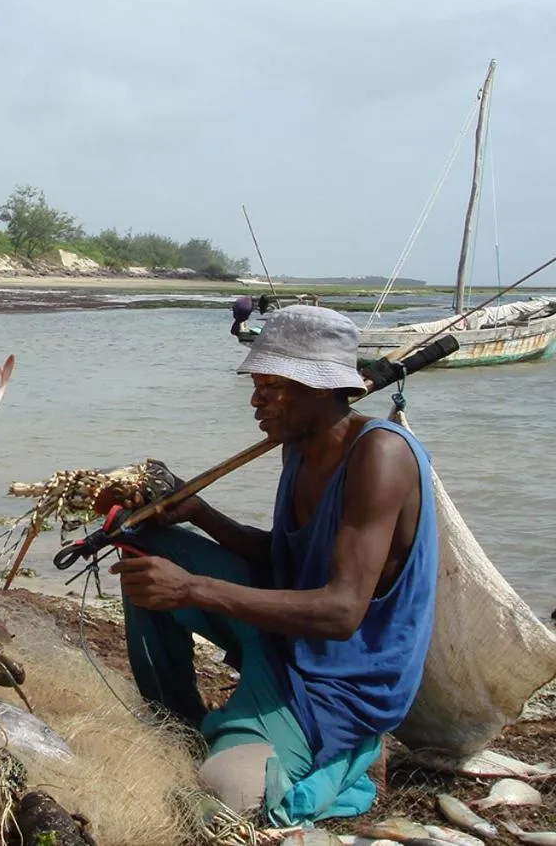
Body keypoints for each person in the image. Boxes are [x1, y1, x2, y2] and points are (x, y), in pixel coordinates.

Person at [108, 305, 437, 825]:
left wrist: (193, 590)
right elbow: (285, 561)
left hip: (342, 676)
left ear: (325, 390)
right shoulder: (298, 448)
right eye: (256, 383)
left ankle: (346, 759)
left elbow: (341, 611)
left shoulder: (381, 456)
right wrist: (200, 513)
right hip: (288, 636)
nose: (257, 399)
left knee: (227, 797)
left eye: (274, 385)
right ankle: (178, 722)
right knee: (145, 546)